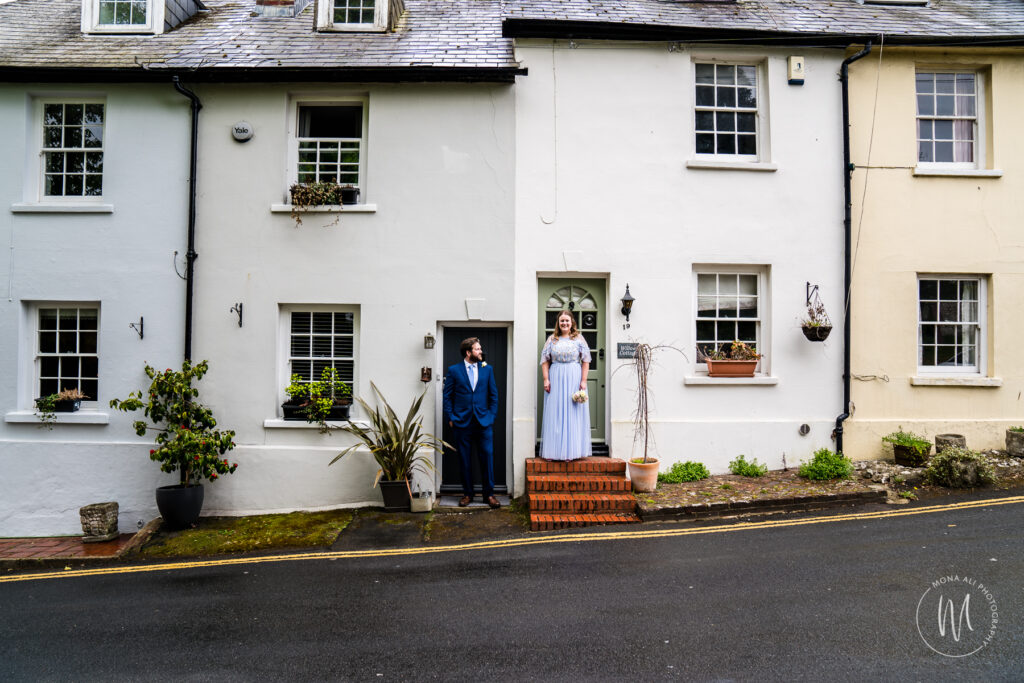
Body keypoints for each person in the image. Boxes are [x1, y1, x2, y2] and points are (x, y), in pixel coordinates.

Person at [442, 337, 500, 508]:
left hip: (483, 423)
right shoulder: (454, 371)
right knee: (464, 460)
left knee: (487, 459)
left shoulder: (487, 369)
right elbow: (447, 397)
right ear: (468, 352)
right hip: (462, 423)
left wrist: (491, 416)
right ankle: (468, 494)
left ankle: (489, 495)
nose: (480, 351)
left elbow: (493, 396)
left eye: (480, 349)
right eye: (477, 349)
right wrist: (451, 418)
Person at [539, 311, 592, 461]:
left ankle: (570, 452)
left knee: (571, 412)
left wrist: (583, 380)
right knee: (555, 412)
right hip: (555, 376)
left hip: (573, 377)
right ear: (558, 323)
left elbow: (586, 360)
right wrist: (545, 379)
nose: (564, 323)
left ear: (572, 322)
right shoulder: (552, 339)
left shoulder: (579, 338)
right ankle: (553, 451)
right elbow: (544, 361)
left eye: (567, 321)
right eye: (562, 321)